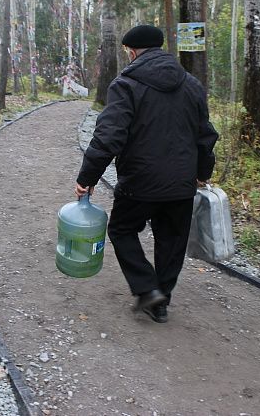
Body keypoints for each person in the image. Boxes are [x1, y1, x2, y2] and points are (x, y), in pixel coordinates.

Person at [75, 25, 219, 323]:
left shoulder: (126, 84)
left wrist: (87, 178)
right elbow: (206, 135)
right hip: (181, 183)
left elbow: (108, 137)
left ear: (131, 51)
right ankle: (161, 301)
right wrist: (202, 173)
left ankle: (147, 288)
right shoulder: (191, 85)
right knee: (172, 240)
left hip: (139, 183)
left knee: (121, 229)